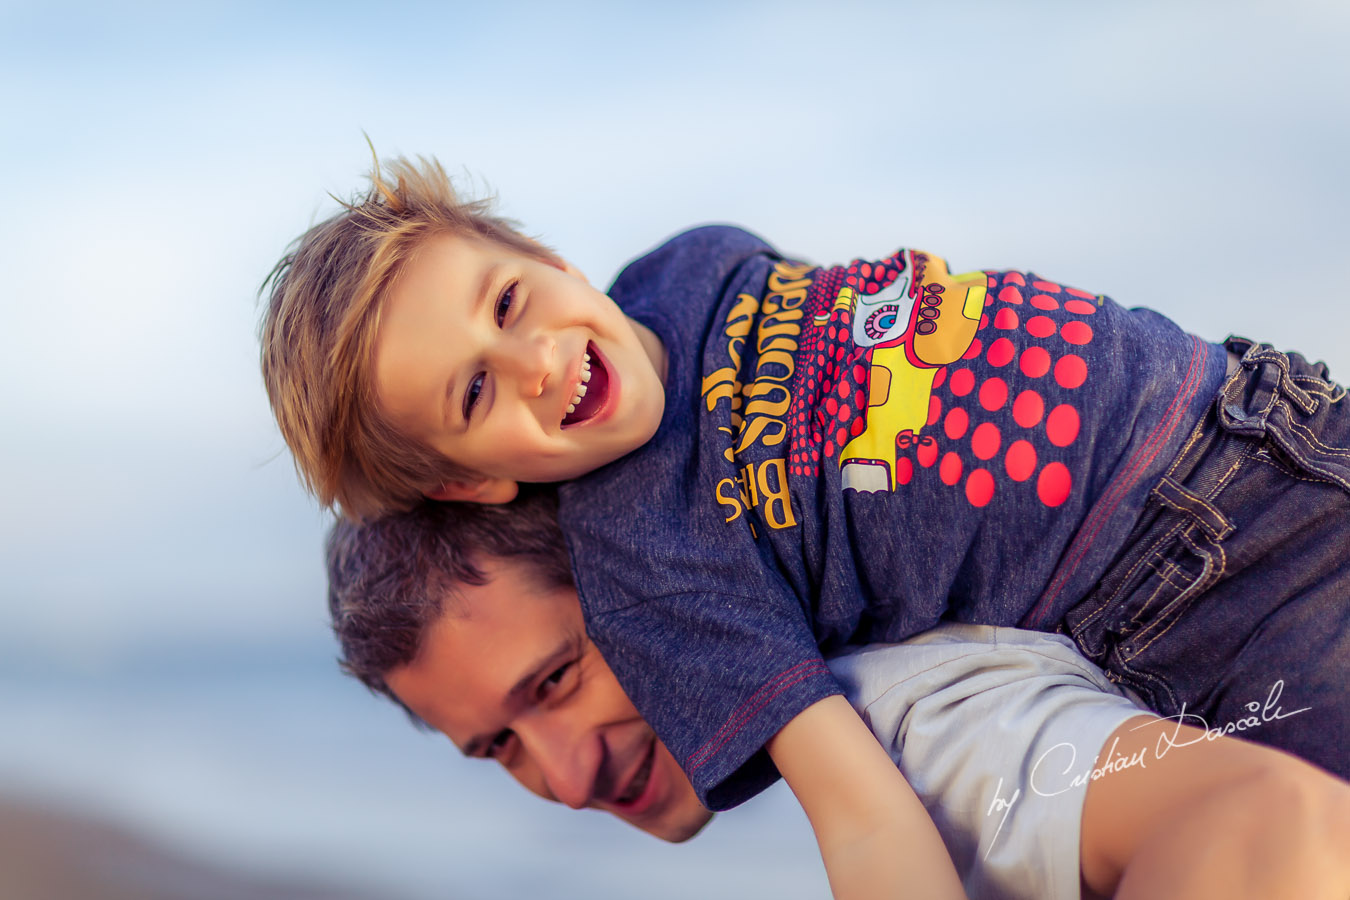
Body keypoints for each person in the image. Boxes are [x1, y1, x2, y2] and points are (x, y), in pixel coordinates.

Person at [261, 154, 1350, 892]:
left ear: (549, 262)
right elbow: (864, 816)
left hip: (1267, 407)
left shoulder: (685, 272)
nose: (537, 362)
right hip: (1182, 576)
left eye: (506, 306)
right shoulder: (659, 579)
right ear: (467, 483)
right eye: (474, 398)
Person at [325, 493, 1350, 900]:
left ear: (636, 585)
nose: (567, 770)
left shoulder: (892, 721)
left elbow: (1270, 825)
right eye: (498, 747)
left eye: (557, 679)